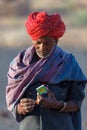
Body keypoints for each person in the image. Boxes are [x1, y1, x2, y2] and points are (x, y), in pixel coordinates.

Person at [6, 11, 87, 130]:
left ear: (56, 42)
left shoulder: (68, 63)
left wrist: (57, 105)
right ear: (33, 40)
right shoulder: (19, 65)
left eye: (48, 43)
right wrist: (20, 108)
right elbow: (14, 103)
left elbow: (76, 103)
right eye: (38, 42)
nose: (42, 47)